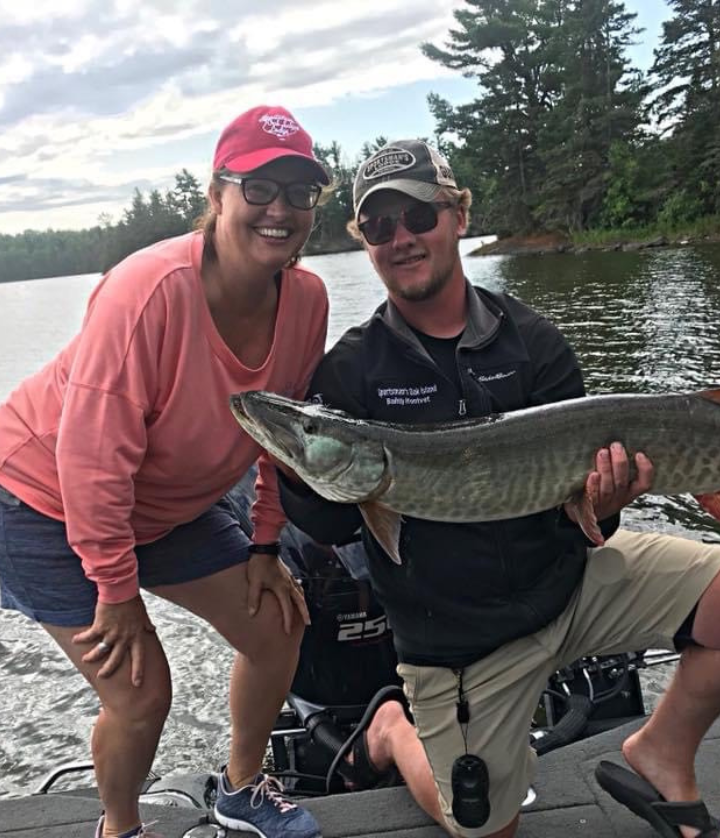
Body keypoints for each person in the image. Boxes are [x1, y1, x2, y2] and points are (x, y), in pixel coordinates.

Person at [278, 139, 720, 838]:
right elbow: (332, 529)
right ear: (365, 240)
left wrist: (605, 502)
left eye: (418, 216)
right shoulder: (353, 372)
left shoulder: (531, 341)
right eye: (381, 226)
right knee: (484, 827)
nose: (402, 238)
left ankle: (661, 751)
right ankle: (393, 729)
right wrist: (291, 466)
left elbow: (583, 518)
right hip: (461, 641)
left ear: (456, 216)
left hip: (569, 588)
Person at [0, 104, 331, 838]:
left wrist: (267, 545)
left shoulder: (306, 300)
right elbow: (89, 460)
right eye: (259, 188)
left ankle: (243, 789)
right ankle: (121, 828)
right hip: (42, 498)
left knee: (279, 624)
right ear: (217, 196)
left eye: (299, 192)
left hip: (165, 506)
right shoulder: (146, 291)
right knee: (143, 692)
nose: (279, 209)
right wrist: (116, 591)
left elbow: (280, 431)